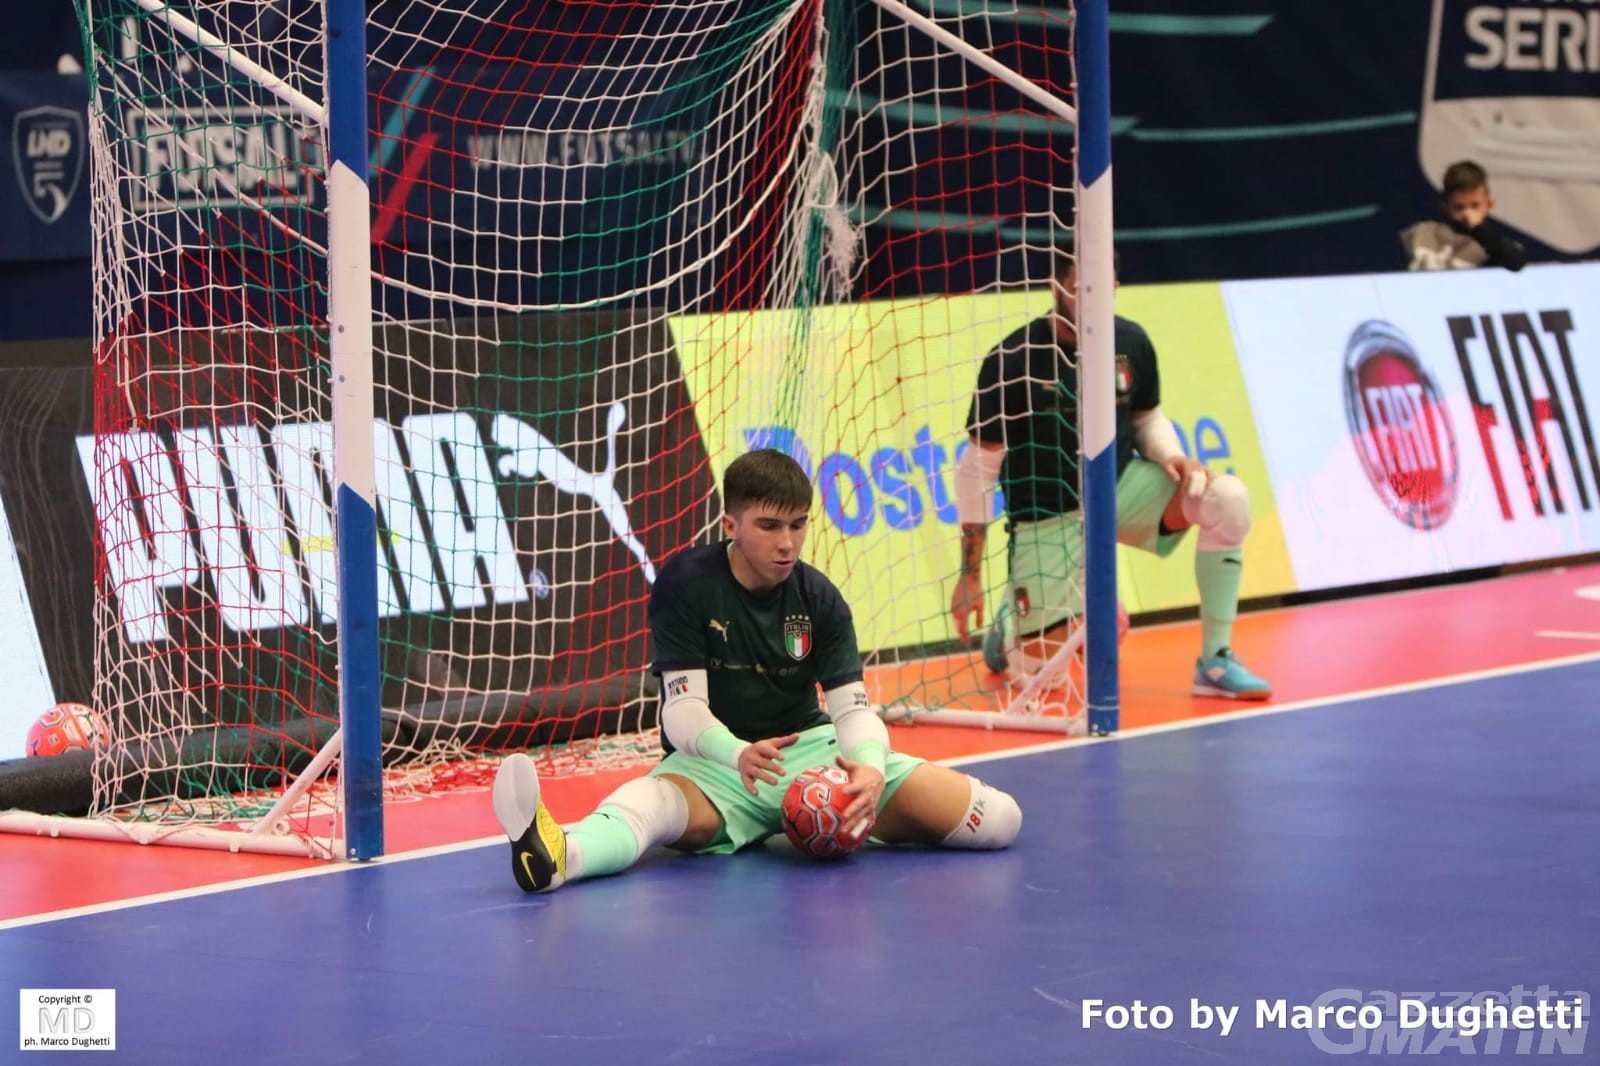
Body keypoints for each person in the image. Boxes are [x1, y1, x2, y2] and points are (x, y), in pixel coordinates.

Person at [493, 448, 1023, 892]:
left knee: (999, 820)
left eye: (797, 525)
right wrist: (738, 753)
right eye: (769, 526)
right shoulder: (687, 585)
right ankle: (560, 855)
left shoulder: (820, 598)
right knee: (653, 806)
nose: (787, 542)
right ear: (731, 524)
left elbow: (853, 710)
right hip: (718, 767)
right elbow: (683, 712)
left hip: (815, 758)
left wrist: (868, 769)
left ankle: (840, 819)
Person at [949, 250, 1272, 700]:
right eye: (1084, 290)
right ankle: (1011, 628)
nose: (1096, 300)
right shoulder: (1013, 359)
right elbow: (977, 470)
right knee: (1043, 685)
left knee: (1227, 498)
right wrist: (969, 574)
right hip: (1047, 516)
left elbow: (1146, 418)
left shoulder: (1131, 342)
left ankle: (1216, 660)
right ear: (1056, 286)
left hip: (1118, 493)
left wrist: (1171, 454)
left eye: (1106, 289)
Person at [1401, 160, 1527, 272]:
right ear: (1445, 207)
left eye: (1475, 206)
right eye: (1459, 207)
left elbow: (1516, 263)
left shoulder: (1492, 245)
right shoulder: (1421, 233)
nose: (1467, 214)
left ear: (1489, 204)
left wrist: (1479, 229)